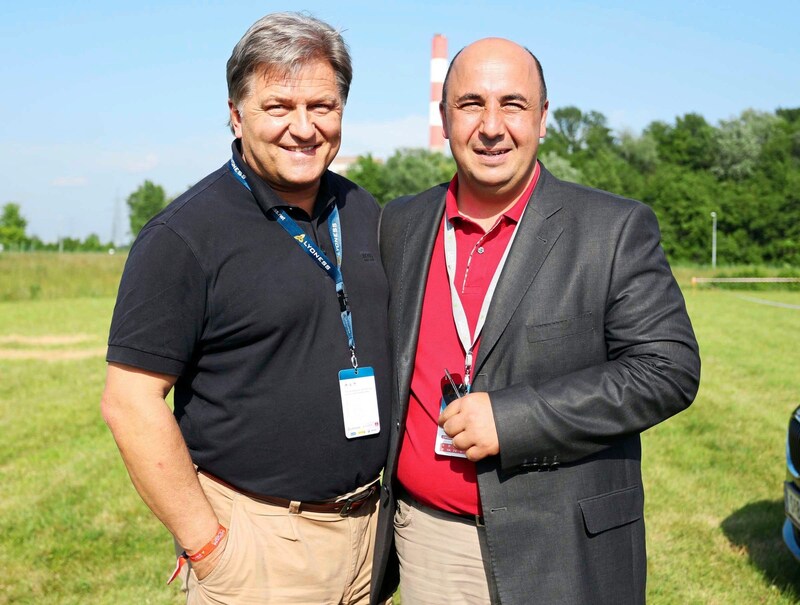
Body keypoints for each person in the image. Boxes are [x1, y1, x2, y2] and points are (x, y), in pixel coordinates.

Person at [371, 38, 701, 605]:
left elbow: (668, 369)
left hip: (563, 548)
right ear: (445, 118)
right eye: (471, 104)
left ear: (543, 119)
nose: (492, 126)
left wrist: (516, 418)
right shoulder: (400, 222)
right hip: (429, 540)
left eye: (514, 105)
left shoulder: (612, 228)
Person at [101, 12, 391, 605]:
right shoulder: (184, 237)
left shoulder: (364, 212)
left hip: (372, 532)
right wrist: (208, 545)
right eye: (278, 106)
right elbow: (129, 402)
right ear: (236, 114)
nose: (303, 128)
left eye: (322, 106)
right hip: (260, 546)